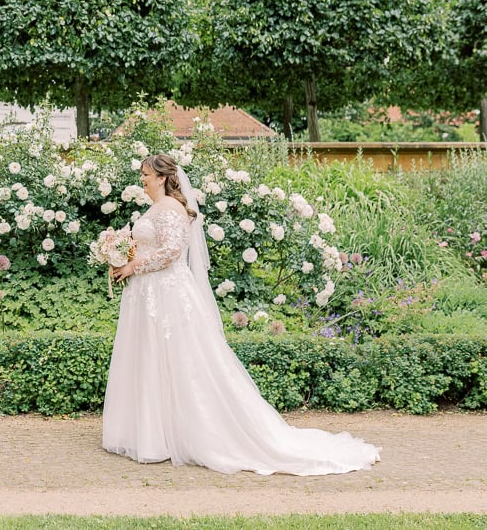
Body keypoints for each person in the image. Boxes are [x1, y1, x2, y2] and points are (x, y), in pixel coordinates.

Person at [102, 153, 380, 475]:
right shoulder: (153, 209)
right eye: (142, 176)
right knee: (150, 359)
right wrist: (120, 256)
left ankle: (185, 434)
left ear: (163, 177)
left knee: (180, 362)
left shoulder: (173, 210)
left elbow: (173, 252)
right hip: (148, 295)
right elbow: (148, 246)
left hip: (168, 298)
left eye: (147, 175)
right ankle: (152, 434)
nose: (143, 180)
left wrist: (133, 265)